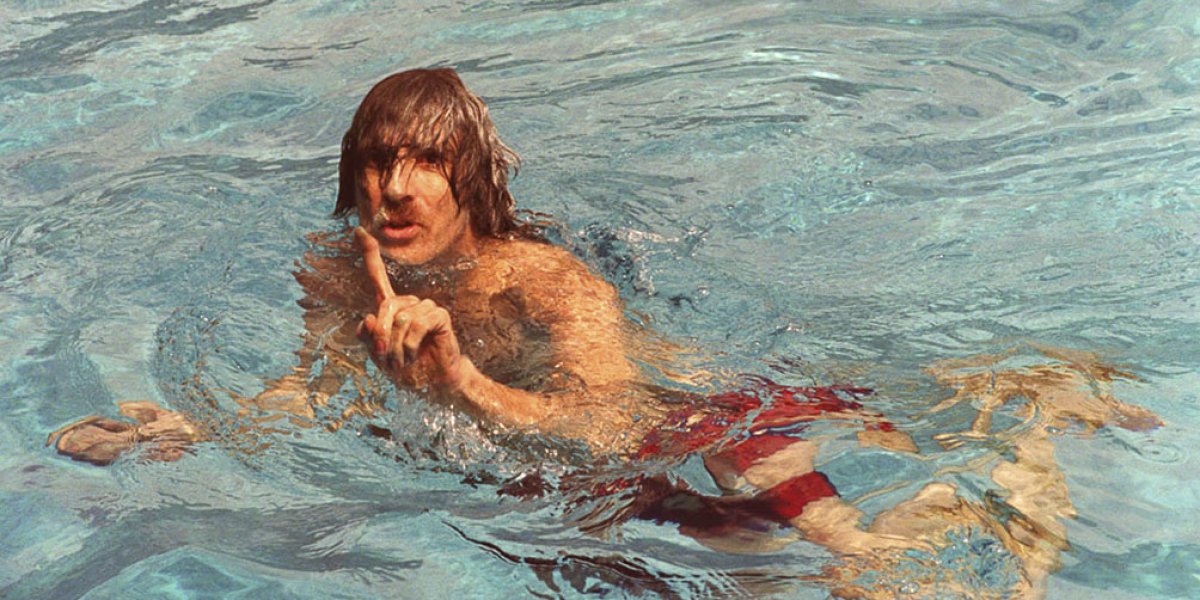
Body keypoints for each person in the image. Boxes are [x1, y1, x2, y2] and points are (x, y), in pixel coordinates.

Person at [48, 68, 1160, 599]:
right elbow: (314, 388)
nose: (395, 187)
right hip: (572, 487)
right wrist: (193, 428)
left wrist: (460, 388)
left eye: (425, 161)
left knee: (881, 575)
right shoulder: (343, 275)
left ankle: (1034, 415)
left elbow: (615, 419)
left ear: (471, 180)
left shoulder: (547, 282)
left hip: (715, 423)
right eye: (377, 161)